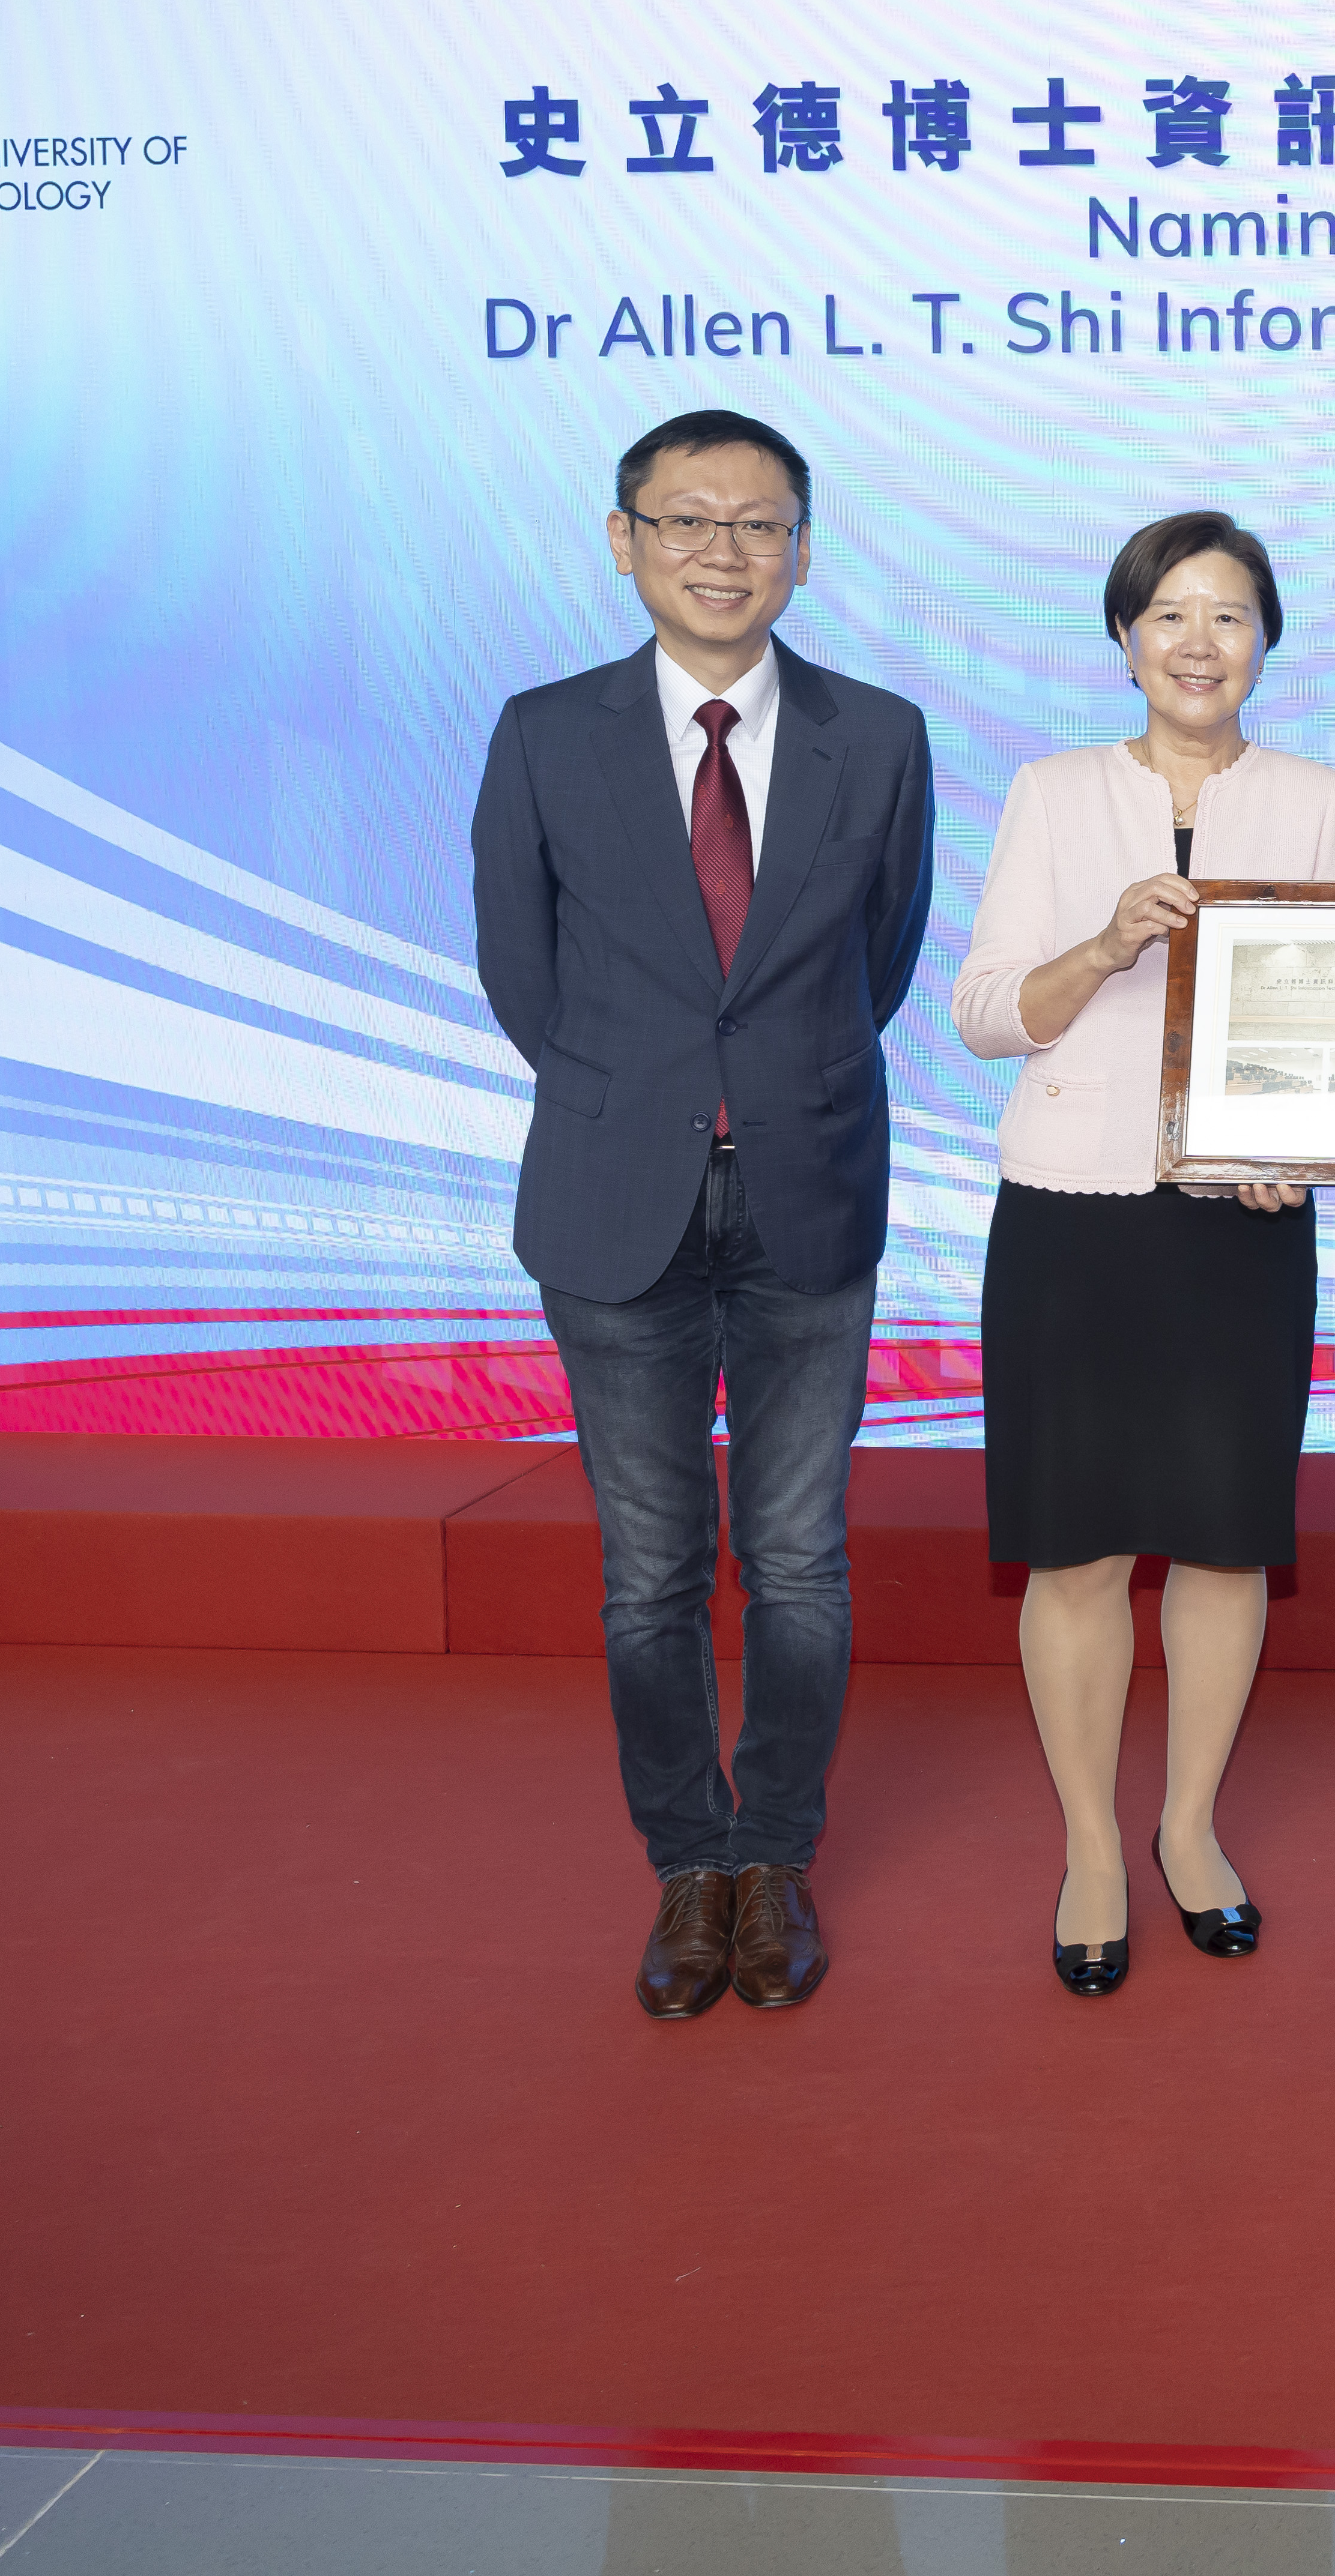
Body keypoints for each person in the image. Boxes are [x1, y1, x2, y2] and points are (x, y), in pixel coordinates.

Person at [472, 406, 936, 2023]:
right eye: (687, 522)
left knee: (801, 1563)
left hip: (811, 1188)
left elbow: (879, 965)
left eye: (758, 526)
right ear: (625, 542)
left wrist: (765, 1088)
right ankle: (689, 1868)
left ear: (800, 554)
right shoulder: (545, 733)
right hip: (615, 1203)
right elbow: (523, 977)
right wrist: (651, 1099)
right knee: (651, 1573)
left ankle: (775, 1858)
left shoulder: (878, 737)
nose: (723, 553)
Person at [950, 514, 1335, 1997]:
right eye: (1170, 614)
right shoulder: (1053, 793)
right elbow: (988, 1010)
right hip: (1073, 1207)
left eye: (1232, 615)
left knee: (1224, 1533)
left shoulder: (1314, 796)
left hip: (1240, 1222)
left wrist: (1296, 1149)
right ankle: (1091, 1846)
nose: (1200, 641)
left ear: (1266, 639)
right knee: (1076, 1544)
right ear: (1125, 636)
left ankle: (1188, 1828)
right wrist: (1109, 941)